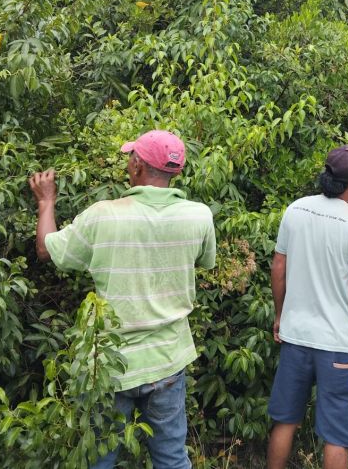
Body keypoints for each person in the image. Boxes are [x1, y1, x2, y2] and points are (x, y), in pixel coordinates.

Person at [28, 130, 216, 469]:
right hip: (167, 360)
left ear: (139, 166)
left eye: (131, 158)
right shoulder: (199, 215)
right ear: (176, 171)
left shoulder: (104, 214)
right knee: (172, 458)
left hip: (109, 364)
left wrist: (46, 202)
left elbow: (46, 249)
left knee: (100, 458)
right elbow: (204, 260)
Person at [267, 145, 348, 469]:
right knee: (337, 434)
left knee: (285, 420)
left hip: (295, 336)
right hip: (336, 345)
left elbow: (278, 268)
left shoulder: (296, 210)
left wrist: (281, 316)